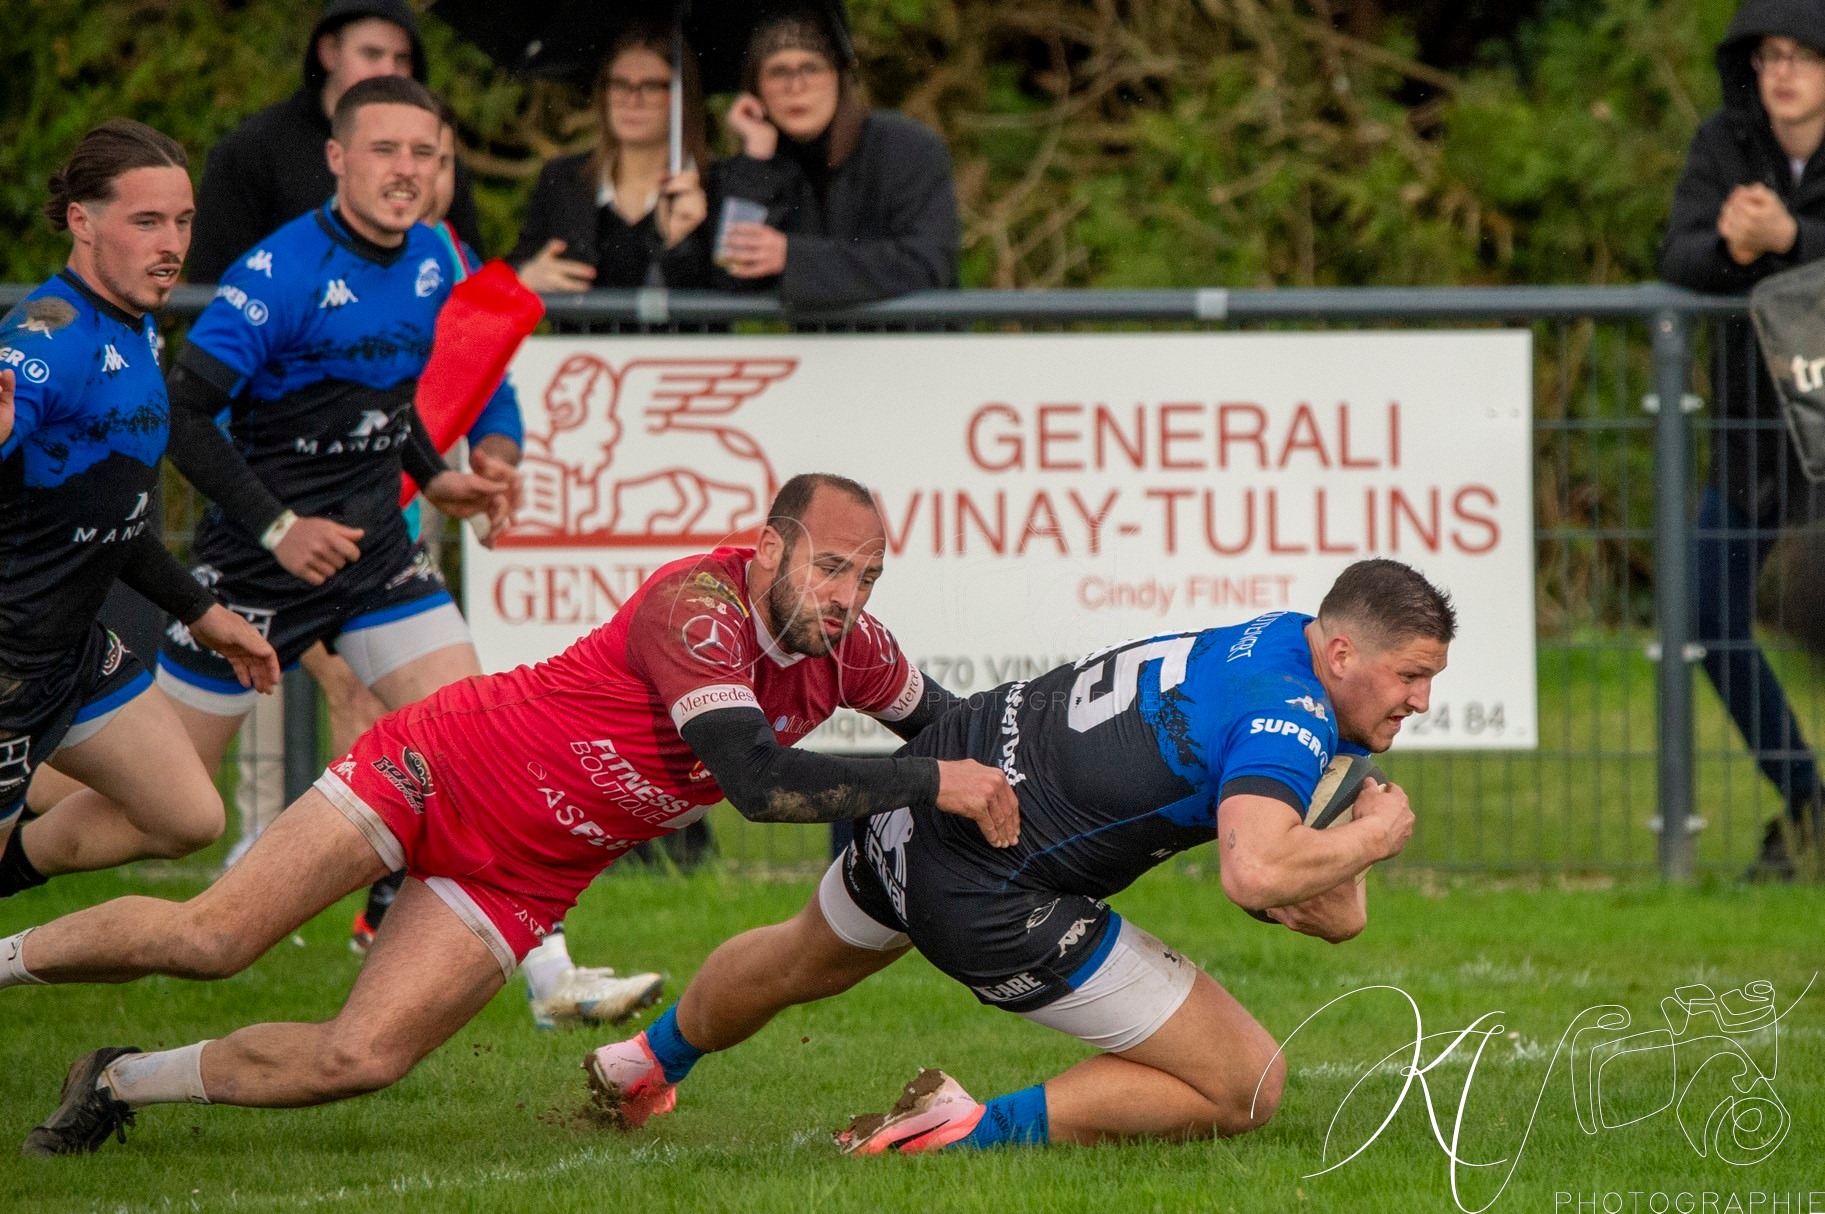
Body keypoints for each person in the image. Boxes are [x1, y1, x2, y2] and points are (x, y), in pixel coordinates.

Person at [6, 472, 1020, 1156]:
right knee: (213, 936)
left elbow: (955, 728)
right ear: (767, 549)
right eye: (830, 566)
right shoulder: (696, 607)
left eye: (867, 575)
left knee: (360, 1058)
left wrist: (1032, 775)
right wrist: (936, 786)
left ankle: (120, 1079)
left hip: (520, 872)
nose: (847, 594)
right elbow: (757, 781)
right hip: (438, 768)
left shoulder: (858, 652)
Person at [586, 559, 1451, 1154]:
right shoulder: (1289, 716)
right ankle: (960, 1130)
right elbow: (1258, 877)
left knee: (798, 955)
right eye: (1410, 676)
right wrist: (1373, 836)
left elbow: (1326, 910)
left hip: (943, 778)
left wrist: (1340, 856)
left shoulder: (1280, 638)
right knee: (1249, 1084)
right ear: (1341, 654)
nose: (1420, 701)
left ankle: (645, 1061)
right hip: (993, 885)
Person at [0, 120, 280, 900]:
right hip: (9, 661)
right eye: (146, 221)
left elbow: (111, 514)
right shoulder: (43, 338)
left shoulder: (134, 325)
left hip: (73, 650)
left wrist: (202, 609)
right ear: (82, 222)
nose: (172, 244)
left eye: (182, 221)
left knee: (185, 814)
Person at [1660, 0, 1825, 880]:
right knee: (1706, 614)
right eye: (1768, 56)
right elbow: (1677, 257)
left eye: (1802, 55)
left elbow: (1793, 246)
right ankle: (1806, 803)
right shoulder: (1723, 144)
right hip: (1753, 436)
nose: (1782, 73)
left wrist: (1791, 237)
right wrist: (1733, 241)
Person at [187, 0, 484, 286]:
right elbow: (214, 287)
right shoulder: (251, 150)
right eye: (371, 54)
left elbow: (471, 274)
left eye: (401, 59)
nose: (388, 71)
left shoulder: (434, 153)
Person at [709, 13, 960, 308]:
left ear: (839, 78)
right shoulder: (757, 167)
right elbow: (732, 272)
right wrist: (754, 161)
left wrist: (792, 258)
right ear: (756, 89)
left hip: (913, 348)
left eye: (811, 68)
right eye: (778, 72)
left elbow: (927, 263)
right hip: (815, 353)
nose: (795, 86)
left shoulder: (904, 146)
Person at [510, 26, 711, 293]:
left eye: (651, 86)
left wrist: (680, 244)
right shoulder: (563, 178)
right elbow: (515, 265)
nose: (632, 99)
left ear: (684, 97)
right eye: (619, 84)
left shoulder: (715, 184)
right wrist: (526, 276)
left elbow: (731, 287)